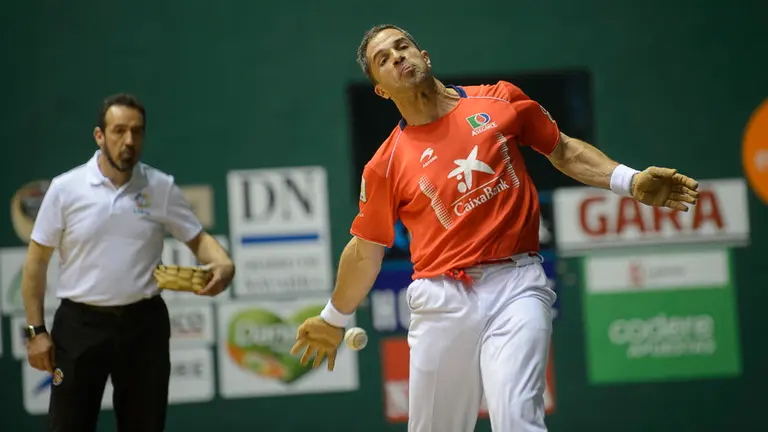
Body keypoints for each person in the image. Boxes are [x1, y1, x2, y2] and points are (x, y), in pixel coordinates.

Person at [290, 24, 700, 432]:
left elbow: (563, 149)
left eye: (403, 47)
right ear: (381, 89)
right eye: (384, 59)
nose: (398, 57)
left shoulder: (500, 99)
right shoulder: (385, 164)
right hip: (441, 300)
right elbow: (365, 252)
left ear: (425, 56)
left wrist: (628, 180)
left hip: (517, 284)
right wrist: (332, 318)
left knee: (518, 419)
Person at [21, 93, 235, 432]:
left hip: (143, 325)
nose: (129, 140)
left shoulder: (160, 186)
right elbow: (35, 263)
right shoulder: (66, 189)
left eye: (137, 131)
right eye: (119, 131)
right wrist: (35, 331)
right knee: (68, 426)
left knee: (145, 425)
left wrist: (223, 263)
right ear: (99, 136)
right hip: (79, 326)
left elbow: (197, 238)